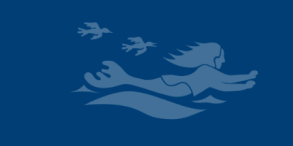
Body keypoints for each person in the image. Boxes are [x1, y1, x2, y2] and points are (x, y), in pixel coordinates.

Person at [84, 43, 257, 98]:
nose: (224, 60)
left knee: (132, 80)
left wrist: (247, 79)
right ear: (213, 57)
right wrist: (246, 84)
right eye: (222, 56)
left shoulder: (206, 71)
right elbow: (225, 84)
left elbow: (226, 80)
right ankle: (122, 79)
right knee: (131, 80)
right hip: (178, 87)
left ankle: (122, 79)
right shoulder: (207, 71)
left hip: (173, 82)